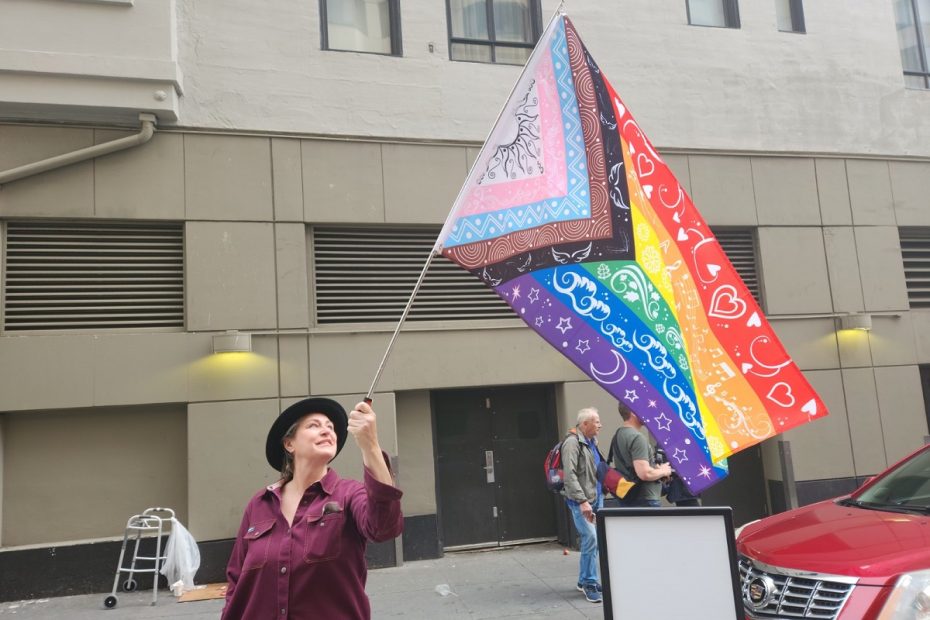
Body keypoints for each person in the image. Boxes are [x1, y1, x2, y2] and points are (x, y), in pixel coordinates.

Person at [222, 398, 403, 620]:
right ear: (289, 444)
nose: (326, 431)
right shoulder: (259, 504)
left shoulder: (349, 494)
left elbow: (383, 528)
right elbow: (236, 580)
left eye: (330, 427)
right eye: (314, 425)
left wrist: (370, 446)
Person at [560, 407, 604, 604]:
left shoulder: (590, 442)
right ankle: (589, 582)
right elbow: (569, 476)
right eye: (596, 422)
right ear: (584, 424)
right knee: (590, 538)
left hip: (596, 497)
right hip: (582, 501)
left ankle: (584, 579)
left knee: (593, 541)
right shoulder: (572, 443)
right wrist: (583, 501)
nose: (600, 425)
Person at [609, 402, 672, 508]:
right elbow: (644, 474)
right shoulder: (637, 438)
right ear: (633, 413)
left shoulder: (618, 435)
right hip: (645, 499)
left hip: (629, 497)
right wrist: (664, 471)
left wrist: (655, 469)